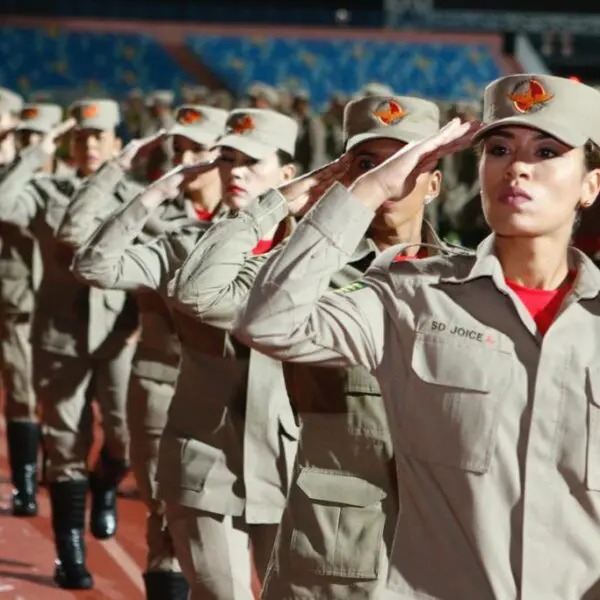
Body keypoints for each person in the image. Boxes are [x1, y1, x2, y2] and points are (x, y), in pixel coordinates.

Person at [234, 73, 600, 599]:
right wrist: (367, 190)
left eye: (547, 151)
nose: (518, 166)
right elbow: (267, 320)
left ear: (590, 184)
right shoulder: (412, 296)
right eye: (499, 148)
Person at [173, 94, 472, 600]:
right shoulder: (304, 276)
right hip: (332, 554)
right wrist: (292, 196)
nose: (390, 177)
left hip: (441, 550)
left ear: (435, 182)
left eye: (408, 162)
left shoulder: (468, 278)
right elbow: (197, 293)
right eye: (369, 164)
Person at [71, 108, 300, 600]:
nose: (234, 171)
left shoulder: (314, 253)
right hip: (206, 456)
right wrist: (155, 191)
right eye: (228, 159)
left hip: (288, 463)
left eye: (251, 162)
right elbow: (94, 265)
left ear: (288, 176)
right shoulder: (185, 246)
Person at [59, 103, 228, 600]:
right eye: (181, 151)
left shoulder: (257, 220)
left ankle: (106, 476)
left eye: (203, 150)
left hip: (234, 399)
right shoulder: (156, 215)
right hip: (162, 383)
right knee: (168, 525)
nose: (190, 159)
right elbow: (76, 235)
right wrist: (127, 173)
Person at [0, 98, 140, 590]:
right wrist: (35, 151)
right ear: (69, 143)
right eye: (81, 136)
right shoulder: (44, 190)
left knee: (124, 435)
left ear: (118, 144)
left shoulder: (138, 195)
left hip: (119, 335)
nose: (91, 144)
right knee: (63, 441)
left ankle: (105, 484)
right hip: (60, 333)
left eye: (101, 136)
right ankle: (70, 552)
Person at [2, 102, 69, 517]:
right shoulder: (10, 183)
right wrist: (28, 159)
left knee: (59, 398)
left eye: (38, 139)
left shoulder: (67, 185)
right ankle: (26, 482)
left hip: (64, 309)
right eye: (24, 138)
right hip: (18, 304)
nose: (31, 146)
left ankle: (58, 467)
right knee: (22, 392)